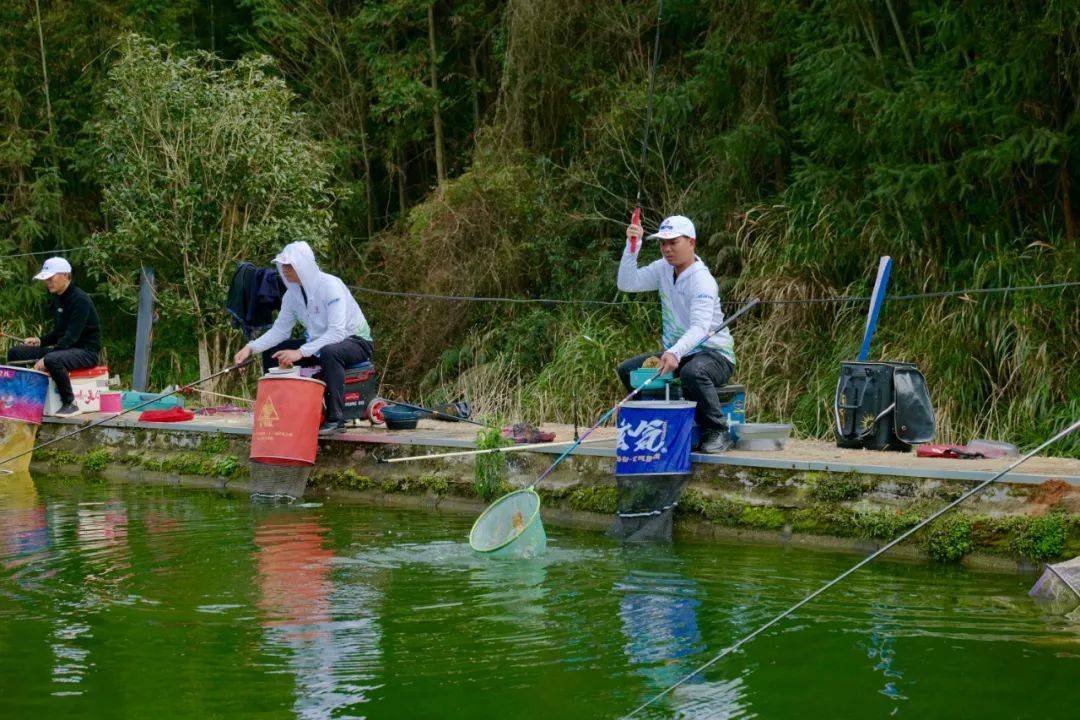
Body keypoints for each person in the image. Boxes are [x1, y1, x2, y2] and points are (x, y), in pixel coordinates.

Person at [616, 215, 736, 453]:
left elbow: (700, 329)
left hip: (714, 355)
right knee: (629, 370)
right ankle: (653, 424)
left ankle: (717, 430)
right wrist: (632, 247)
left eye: (673, 242)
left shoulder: (702, 280)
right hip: (679, 353)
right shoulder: (663, 268)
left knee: (693, 372)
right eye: (663, 243)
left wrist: (673, 352)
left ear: (691, 243)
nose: (667, 249)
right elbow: (627, 283)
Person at [233, 241, 373, 436]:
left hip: (355, 341)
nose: (285, 270)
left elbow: (337, 333)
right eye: (283, 266)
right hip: (319, 343)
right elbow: (280, 331)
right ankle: (282, 412)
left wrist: (299, 352)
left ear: (304, 266)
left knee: (330, 351)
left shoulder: (331, 285)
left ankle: (336, 419)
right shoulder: (292, 295)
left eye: (290, 265)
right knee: (275, 353)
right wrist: (250, 347)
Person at [7, 257, 102, 417]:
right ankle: (22, 397)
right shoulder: (58, 298)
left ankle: (69, 404)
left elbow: (71, 337)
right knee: (15, 353)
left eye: (51, 278)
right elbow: (59, 333)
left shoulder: (80, 299)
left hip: (86, 352)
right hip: (65, 350)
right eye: (46, 279)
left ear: (65, 275)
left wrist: (47, 357)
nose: (48, 282)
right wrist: (39, 341)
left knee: (52, 359)